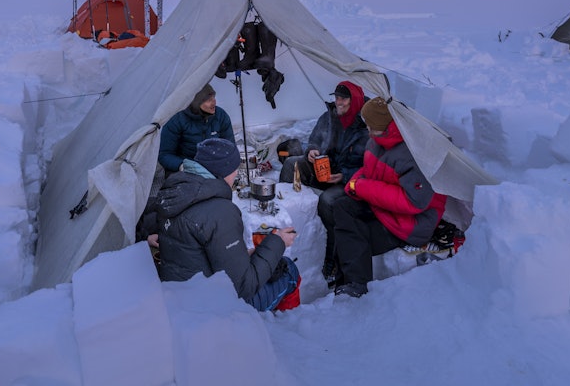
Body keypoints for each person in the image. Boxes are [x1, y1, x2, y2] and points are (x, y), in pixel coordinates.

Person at [155, 137, 301, 311]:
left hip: (181, 294)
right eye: (235, 169)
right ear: (225, 171)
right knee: (289, 269)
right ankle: (282, 325)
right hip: (212, 309)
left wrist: (245, 254)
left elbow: (202, 254)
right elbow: (244, 287)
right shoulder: (220, 212)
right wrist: (278, 241)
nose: (236, 175)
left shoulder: (177, 193)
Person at [330, 96, 447, 298]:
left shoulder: (412, 154)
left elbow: (414, 201)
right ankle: (340, 276)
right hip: (384, 208)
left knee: (356, 233)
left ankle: (356, 284)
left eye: (370, 125)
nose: (367, 129)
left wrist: (363, 187)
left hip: (410, 224)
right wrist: (354, 184)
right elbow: (369, 171)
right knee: (341, 206)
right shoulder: (377, 141)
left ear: (384, 126)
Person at [278, 80, 368, 283]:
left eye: (343, 98)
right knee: (292, 163)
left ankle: (332, 257)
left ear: (354, 101)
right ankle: (285, 219)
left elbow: (370, 166)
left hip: (349, 179)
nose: (338, 102)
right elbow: (315, 139)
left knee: (328, 201)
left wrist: (344, 175)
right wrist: (312, 151)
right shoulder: (329, 116)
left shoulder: (365, 125)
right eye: (336, 97)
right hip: (325, 167)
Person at [157, 83, 235, 174]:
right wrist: (183, 165)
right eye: (209, 100)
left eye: (214, 97)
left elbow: (230, 147)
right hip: (184, 171)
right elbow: (164, 154)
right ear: (196, 102)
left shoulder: (221, 116)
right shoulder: (177, 119)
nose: (214, 102)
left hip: (213, 168)